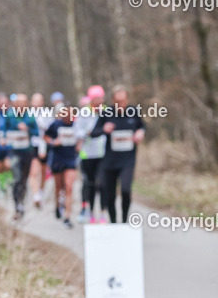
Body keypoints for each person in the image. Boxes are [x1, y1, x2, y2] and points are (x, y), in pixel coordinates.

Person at [90, 85, 145, 224]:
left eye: (123, 101)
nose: (121, 105)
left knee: (126, 189)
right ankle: (114, 221)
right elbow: (93, 133)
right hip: (110, 160)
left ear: (127, 99)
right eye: (118, 102)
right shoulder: (107, 113)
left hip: (128, 159)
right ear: (113, 100)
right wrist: (103, 129)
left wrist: (140, 132)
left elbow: (142, 126)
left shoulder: (133, 111)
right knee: (110, 194)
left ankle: (124, 220)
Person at [2, 93, 39, 220]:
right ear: (15, 103)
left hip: (27, 152)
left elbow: (37, 132)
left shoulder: (30, 116)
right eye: (19, 102)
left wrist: (27, 129)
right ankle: (17, 206)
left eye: (24, 102)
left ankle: (21, 202)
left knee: (23, 180)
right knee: (16, 179)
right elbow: (3, 130)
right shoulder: (10, 115)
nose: (21, 105)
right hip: (14, 152)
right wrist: (3, 140)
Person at [44, 104, 81, 229]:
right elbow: (46, 137)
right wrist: (54, 142)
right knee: (59, 187)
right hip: (58, 160)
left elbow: (81, 136)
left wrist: (79, 145)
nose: (70, 117)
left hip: (71, 159)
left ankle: (67, 216)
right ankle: (57, 206)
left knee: (69, 187)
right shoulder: (56, 125)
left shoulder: (76, 125)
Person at [74, 85, 106, 223]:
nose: (99, 101)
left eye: (101, 98)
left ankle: (103, 213)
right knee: (90, 184)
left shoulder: (107, 111)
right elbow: (77, 131)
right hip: (87, 154)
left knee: (103, 184)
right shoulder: (84, 112)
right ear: (91, 99)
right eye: (96, 98)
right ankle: (91, 212)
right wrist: (86, 133)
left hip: (104, 153)